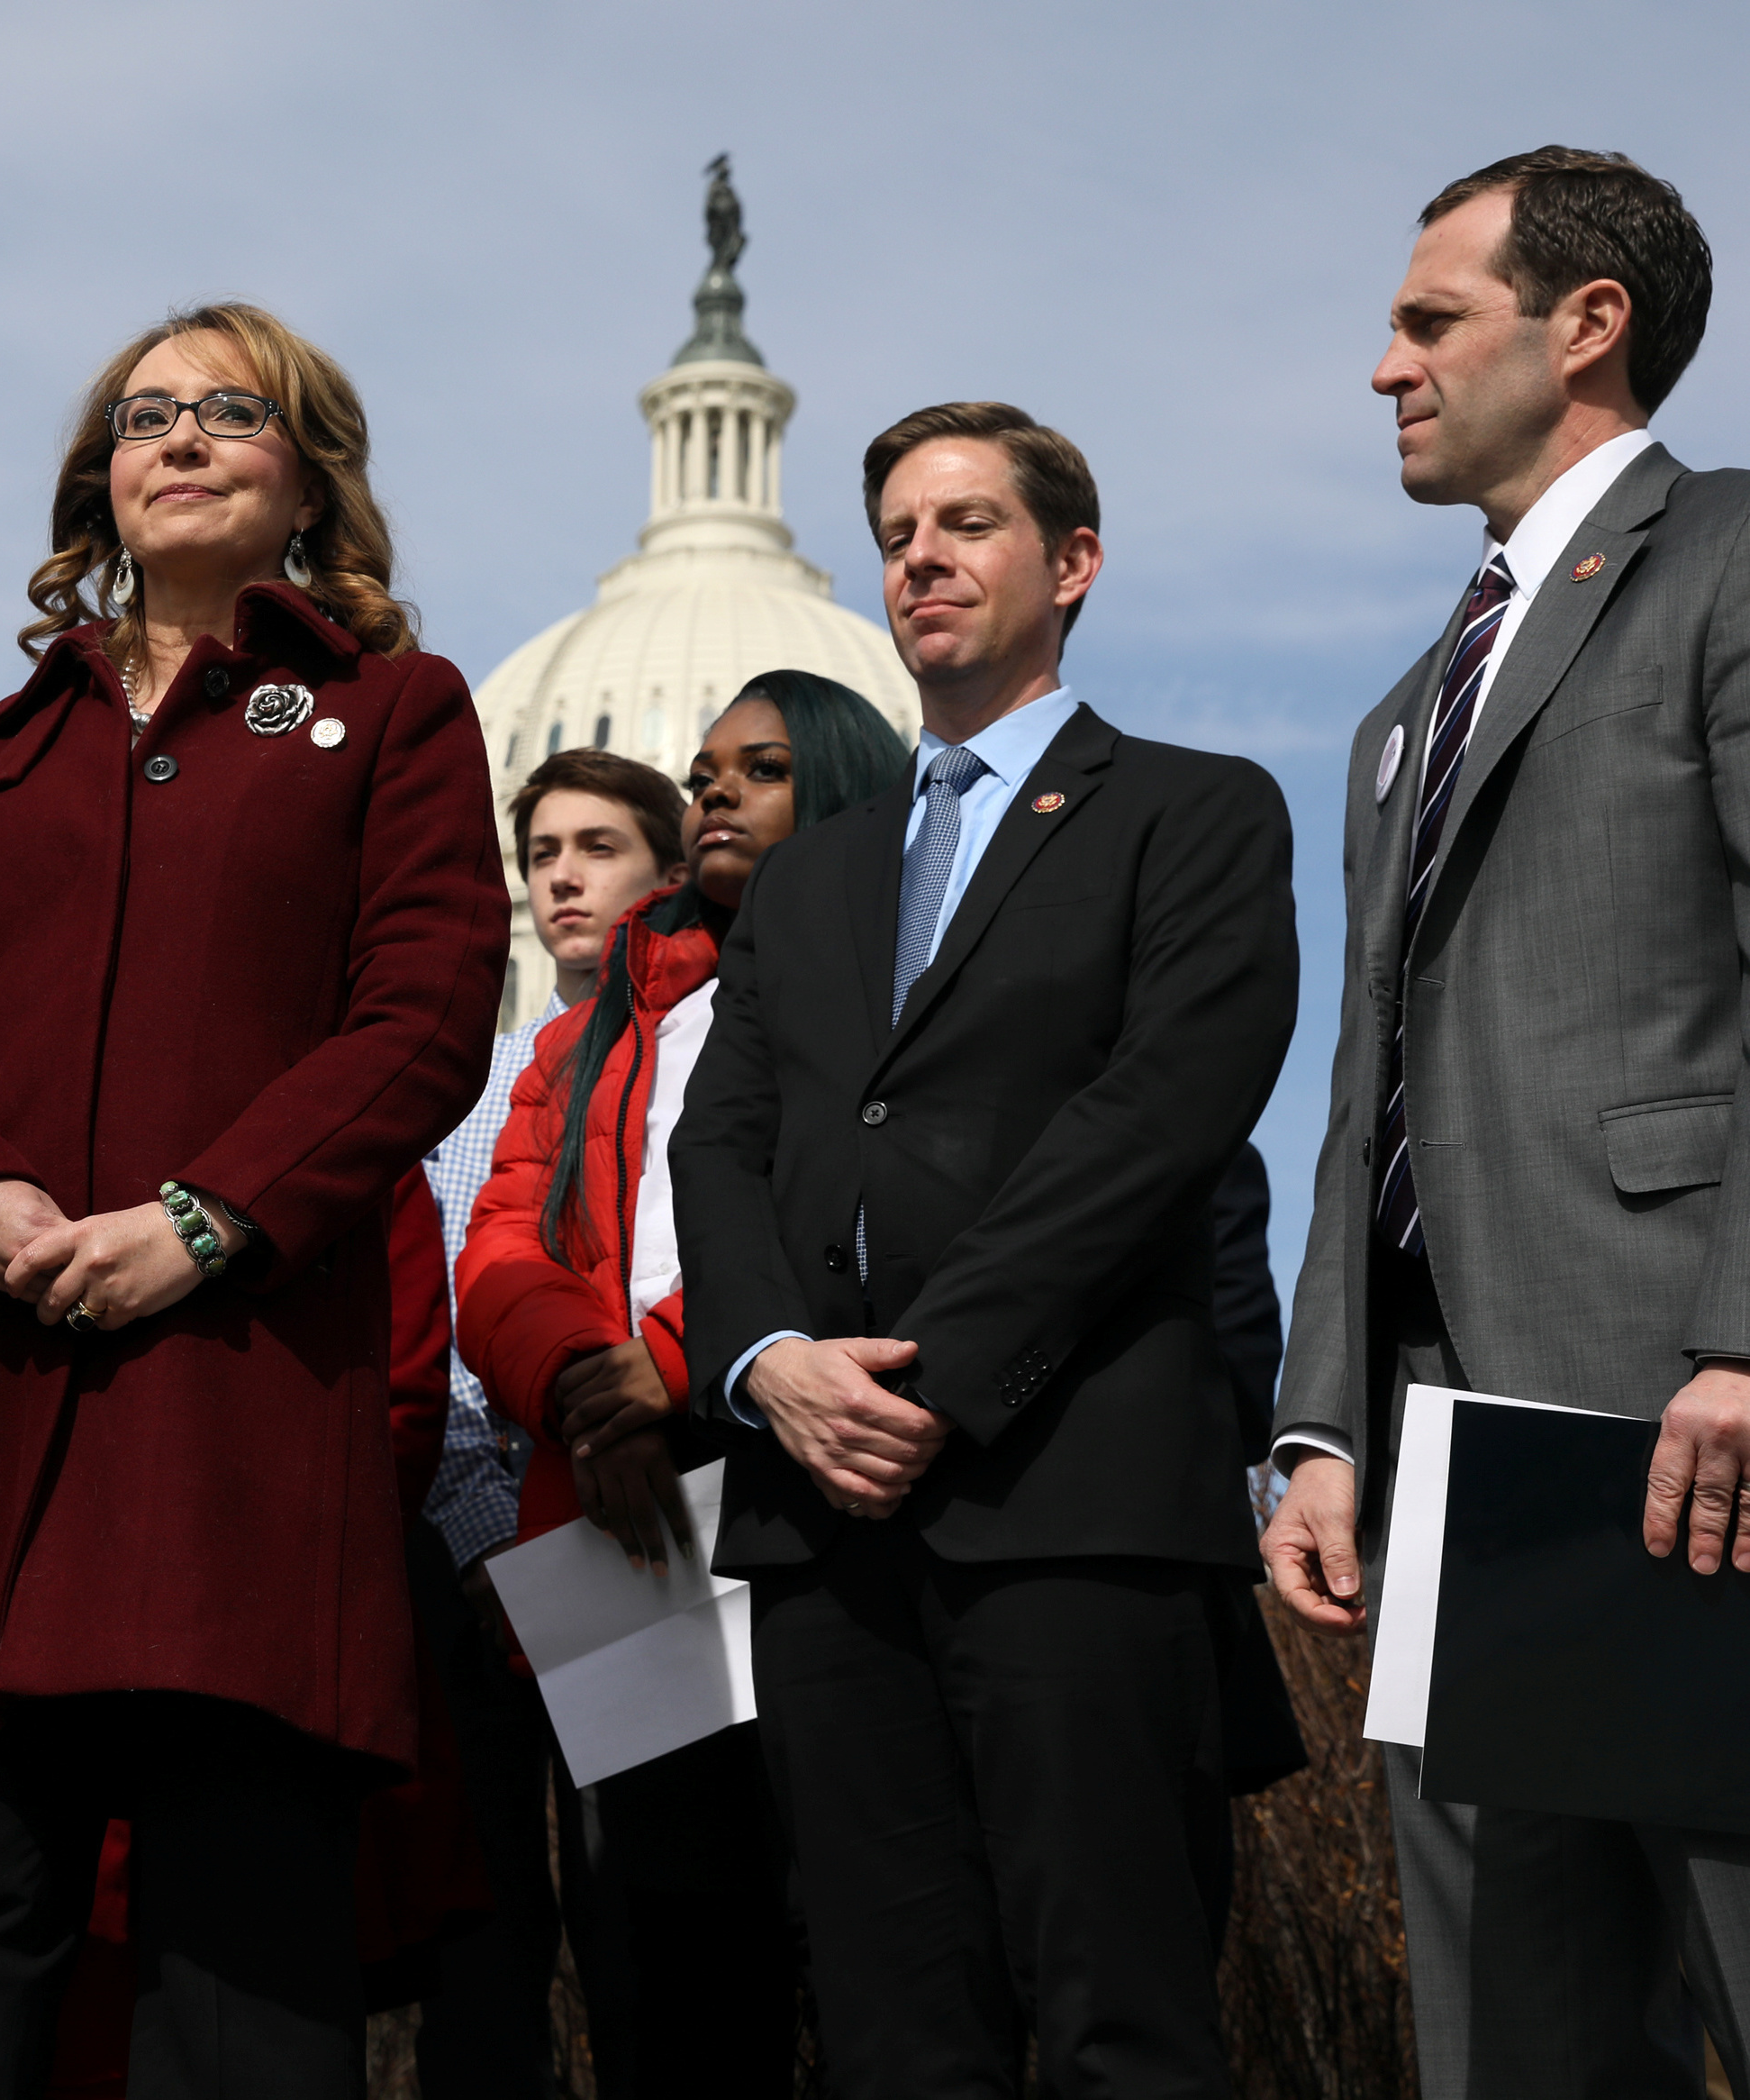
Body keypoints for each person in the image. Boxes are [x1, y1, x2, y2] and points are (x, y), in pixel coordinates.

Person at [0, 303, 507, 2099]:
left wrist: (203, 1216)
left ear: (310, 470)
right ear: (97, 479)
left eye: (227, 411)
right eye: (142, 416)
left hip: (237, 1410)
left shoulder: (393, 713)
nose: (178, 438)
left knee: (237, 1966)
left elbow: (420, 1017)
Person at [673, 402, 1298, 2097]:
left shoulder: (1196, 812)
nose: (920, 559)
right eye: (895, 534)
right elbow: (718, 1140)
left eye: (965, 524)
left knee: (1123, 2024)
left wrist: (938, 1376)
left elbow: (1158, 1121)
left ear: (1072, 562)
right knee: (888, 2035)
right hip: (824, 1526)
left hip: (1073, 1502)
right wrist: (762, 1364)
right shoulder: (812, 885)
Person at [1262, 147, 1750, 2096]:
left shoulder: (1724, 555)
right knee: (1516, 2036)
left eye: (1429, 319)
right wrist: (1323, 1418)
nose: (1382, 365)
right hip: (1455, 1452)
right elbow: (1361, 1088)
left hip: (1679, 1416)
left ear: (1588, 326)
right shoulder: (1401, 710)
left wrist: (1740, 1332)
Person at [460, 672, 908, 2099]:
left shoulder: (866, 999)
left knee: (853, 1939)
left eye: (759, 771)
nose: (717, 792)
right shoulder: (573, 1044)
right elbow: (498, 1254)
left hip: (797, 1484)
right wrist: (593, 1392)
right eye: (542, 853)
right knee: (658, 1953)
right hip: (614, 1510)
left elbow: (820, 1220)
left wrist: (651, 1371)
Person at [413, 748, 690, 2097]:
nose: (564, 879)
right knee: (483, 1930)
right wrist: (480, 1542)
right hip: (478, 1552)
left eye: (599, 847)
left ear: (671, 868)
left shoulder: (703, 1068)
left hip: (629, 1533)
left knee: (640, 1911)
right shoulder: (465, 1092)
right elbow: (437, 1327)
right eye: (542, 854)